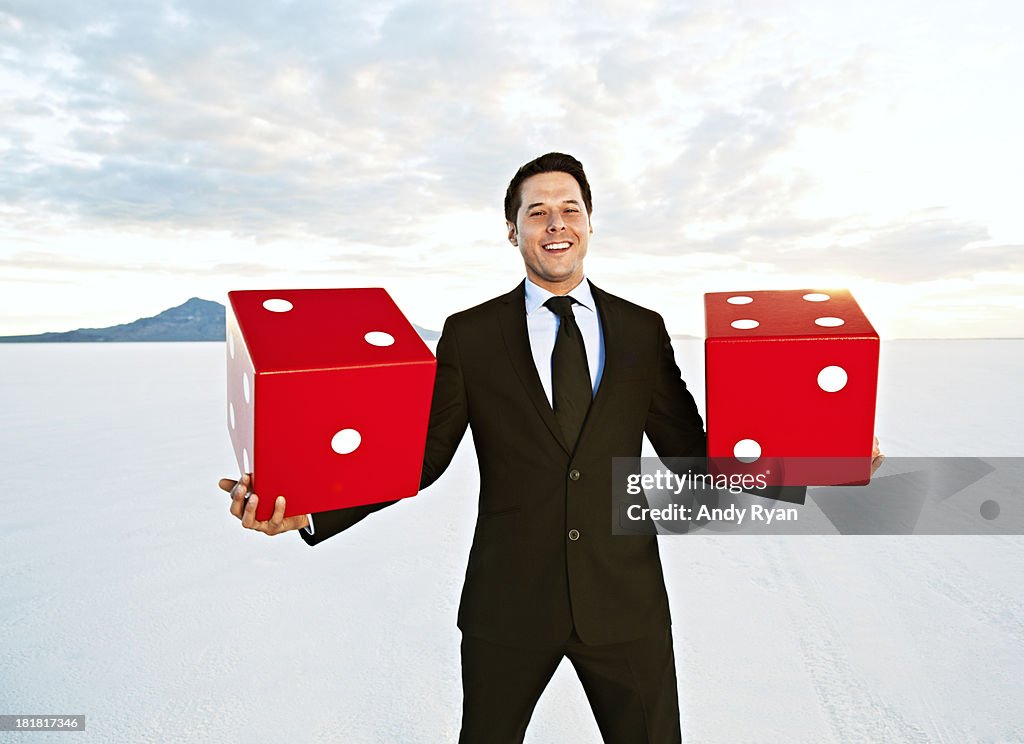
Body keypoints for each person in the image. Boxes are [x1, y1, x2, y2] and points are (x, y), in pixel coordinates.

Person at [218, 152, 884, 743]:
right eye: (537, 212)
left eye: (570, 209)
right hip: (507, 605)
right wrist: (307, 509)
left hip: (625, 605)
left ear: (591, 224)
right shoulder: (470, 335)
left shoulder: (641, 331)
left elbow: (696, 460)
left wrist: (824, 459)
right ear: (513, 232)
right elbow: (420, 457)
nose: (555, 223)